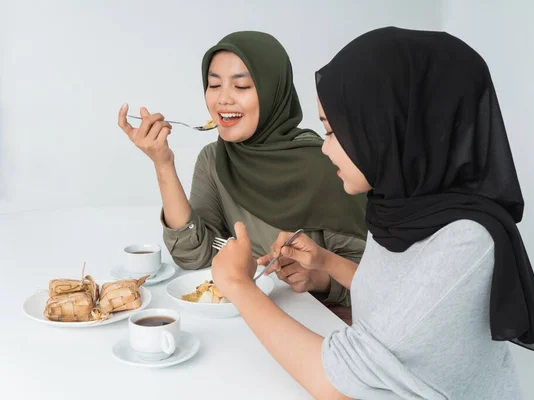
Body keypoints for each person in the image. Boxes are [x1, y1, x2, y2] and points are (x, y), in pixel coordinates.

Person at [210, 27, 534, 399]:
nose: (326, 150)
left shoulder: (468, 241)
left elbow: (338, 383)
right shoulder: (399, 205)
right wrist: (327, 262)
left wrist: (238, 285)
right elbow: (398, 303)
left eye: (333, 132)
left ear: (387, 127)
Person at [117, 31, 367, 317]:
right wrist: (163, 163)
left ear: (273, 91)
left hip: (320, 327)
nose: (222, 99)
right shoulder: (215, 159)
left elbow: (378, 281)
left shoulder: (324, 163)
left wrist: (320, 280)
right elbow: (192, 255)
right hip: (242, 323)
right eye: (213, 85)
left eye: (242, 86)